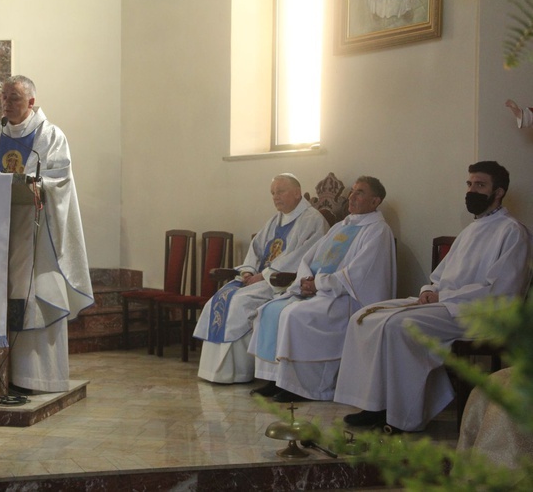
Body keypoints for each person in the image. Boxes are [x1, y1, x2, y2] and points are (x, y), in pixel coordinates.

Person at [334, 161, 531, 433]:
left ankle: (404, 417)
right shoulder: (471, 229)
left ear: (498, 192)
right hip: (447, 305)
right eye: (469, 184)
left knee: (399, 326)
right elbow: (440, 275)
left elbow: (501, 290)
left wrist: (443, 296)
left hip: (478, 314)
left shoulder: (513, 232)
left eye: (480, 185)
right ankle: (376, 404)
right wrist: (429, 290)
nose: (471, 190)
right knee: (364, 317)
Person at [0, 75, 94, 394]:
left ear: (31, 102)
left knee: (36, 297)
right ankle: (1, 375)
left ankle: (37, 377)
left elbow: (60, 179)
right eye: (4, 97)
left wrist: (39, 185)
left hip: (35, 233)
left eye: (14, 98)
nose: (6, 103)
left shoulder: (51, 136)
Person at [248, 176, 396, 402]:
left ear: (375, 201)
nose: (352, 196)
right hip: (318, 290)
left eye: (360, 193)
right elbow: (310, 257)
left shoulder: (378, 231)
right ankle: (274, 379)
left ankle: (304, 386)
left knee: (295, 315)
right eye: (352, 191)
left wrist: (319, 284)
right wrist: (306, 280)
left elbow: (359, 274)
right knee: (270, 310)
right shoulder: (341, 226)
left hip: (346, 297)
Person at [193, 173, 329, 384]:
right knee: (221, 297)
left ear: (297, 192)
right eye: (273, 193)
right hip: (260, 278)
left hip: (282, 282)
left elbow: (302, 257)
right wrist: (247, 271)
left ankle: (237, 372)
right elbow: (256, 249)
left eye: (281, 191)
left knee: (239, 302)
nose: (276, 197)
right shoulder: (276, 220)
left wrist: (265, 275)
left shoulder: (313, 220)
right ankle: (214, 370)